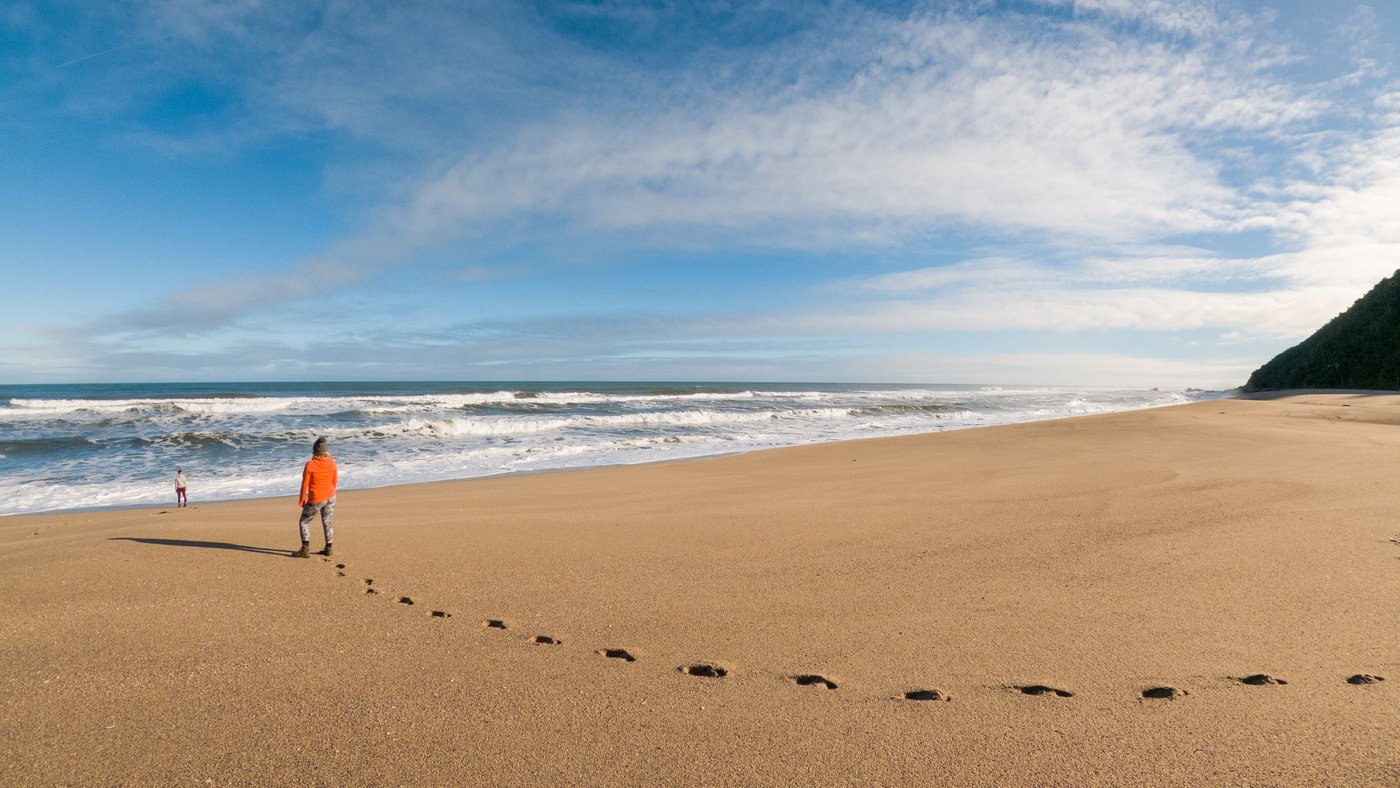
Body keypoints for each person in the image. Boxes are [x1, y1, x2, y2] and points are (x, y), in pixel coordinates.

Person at [292, 437, 338, 558]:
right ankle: (329, 548)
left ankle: (305, 549)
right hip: (331, 496)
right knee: (327, 522)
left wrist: (302, 499)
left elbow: (304, 485)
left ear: (314, 451)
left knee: (304, 521)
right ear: (326, 451)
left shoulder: (310, 465)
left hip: (316, 499)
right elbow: (335, 482)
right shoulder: (332, 463)